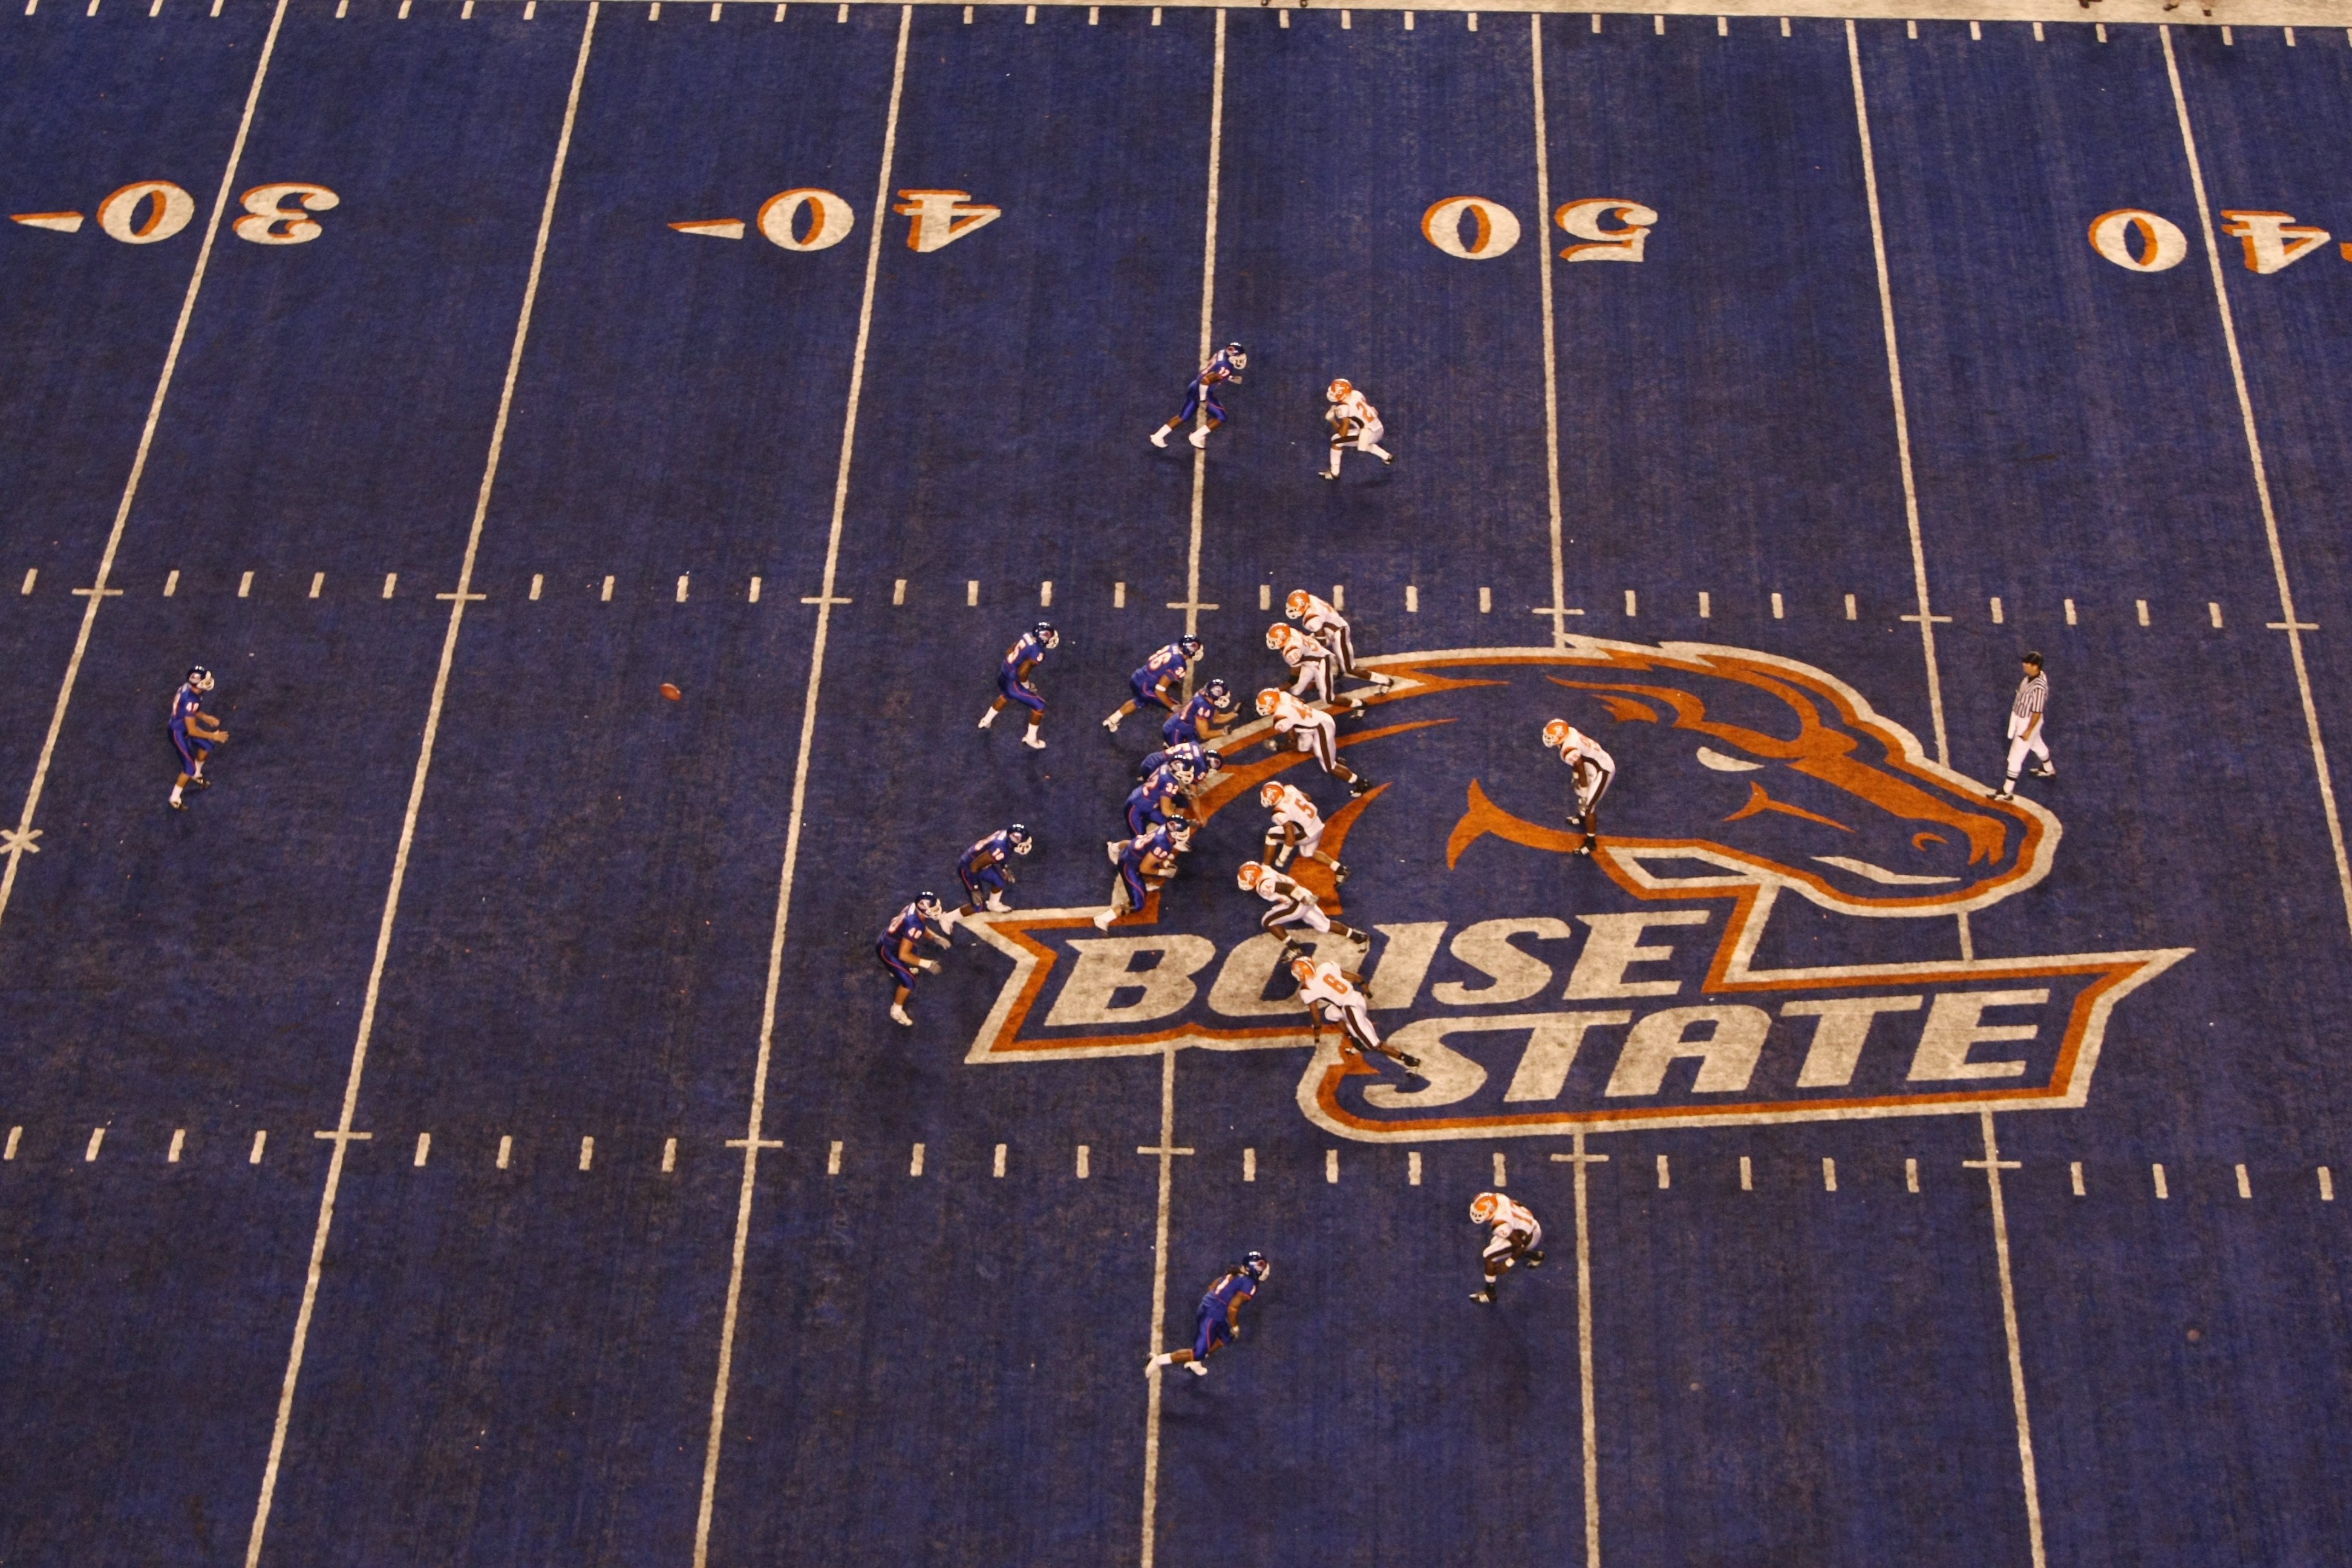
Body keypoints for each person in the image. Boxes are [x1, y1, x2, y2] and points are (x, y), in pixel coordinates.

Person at [1147, 1252, 1270, 1377]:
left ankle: (1196, 1363)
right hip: (1214, 1314)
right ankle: (1159, 1360)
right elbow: (1233, 1308)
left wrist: (1217, 1301)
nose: (1264, 1268)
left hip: (1211, 1307)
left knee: (1227, 1336)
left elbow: (1213, 1286)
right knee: (1198, 1353)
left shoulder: (1235, 1272)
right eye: (1261, 1266)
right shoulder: (1249, 1284)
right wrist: (1235, 1326)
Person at [1291, 955, 1419, 1071]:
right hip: (1357, 998)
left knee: (1374, 1045)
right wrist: (1367, 991)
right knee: (1330, 1014)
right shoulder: (1326, 966)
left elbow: (1316, 1016)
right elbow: (1357, 978)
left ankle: (1409, 1061)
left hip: (1351, 1010)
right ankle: (1356, 1041)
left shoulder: (1307, 989)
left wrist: (1317, 1033)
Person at [1238, 861, 1366, 961]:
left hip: (1297, 902)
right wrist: (1304, 897)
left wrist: (1302, 899)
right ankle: (1359, 937)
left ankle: (1294, 948)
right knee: (1324, 925)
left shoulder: (1263, 886)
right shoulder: (1265, 869)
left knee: (1268, 921)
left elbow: (1286, 888)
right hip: (1304, 894)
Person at [1257, 688, 1371, 797]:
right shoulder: (1283, 695)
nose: (1261, 708)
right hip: (1318, 720)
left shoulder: (1281, 718)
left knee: (1329, 767)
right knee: (1303, 747)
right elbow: (1302, 701)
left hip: (1321, 729)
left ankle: (1361, 783)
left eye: (1263, 706)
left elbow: (1292, 743)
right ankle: (1331, 756)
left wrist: (1278, 748)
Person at [1285, 589, 1391, 691]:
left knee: (1350, 669)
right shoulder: (1310, 599)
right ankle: (1336, 664)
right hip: (1331, 627)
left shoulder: (1311, 619)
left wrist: (1311, 651)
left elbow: (1321, 640)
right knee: (1308, 646)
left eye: (1295, 608)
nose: (1292, 609)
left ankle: (1385, 681)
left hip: (1338, 633)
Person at [1149, 342, 1247, 451]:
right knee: (1221, 417)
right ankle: (1195, 437)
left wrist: (1229, 377)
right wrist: (1203, 399)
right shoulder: (1225, 367)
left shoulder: (1223, 353)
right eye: (1238, 357)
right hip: (1203, 391)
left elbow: (1213, 371)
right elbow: (1206, 381)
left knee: (1183, 417)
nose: (1241, 359)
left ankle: (1157, 436)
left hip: (1194, 386)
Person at [1095, 819, 1192, 929]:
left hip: (1134, 850)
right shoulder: (1164, 845)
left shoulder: (1164, 828)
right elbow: (1144, 868)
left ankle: (1114, 848)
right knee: (1138, 905)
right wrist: (1164, 872)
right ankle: (1102, 919)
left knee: (1156, 861)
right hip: (1130, 866)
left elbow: (1147, 848)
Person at [978, 622, 1057, 751]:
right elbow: (1023, 672)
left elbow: (1010, 650)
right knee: (1040, 706)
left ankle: (986, 721)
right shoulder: (1037, 652)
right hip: (1013, 680)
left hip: (1004, 671)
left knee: (1006, 695)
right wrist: (1026, 685)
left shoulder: (1026, 636)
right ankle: (1031, 738)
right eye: (1048, 636)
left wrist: (1012, 666)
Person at [1541, 718, 1615, 856]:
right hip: (1594, 764)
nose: (1548, 738)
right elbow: (1579, 760)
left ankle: (1591, 842)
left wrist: (1584, 789)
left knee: (1588, 806)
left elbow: (1580, 767)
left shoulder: (1568, 749)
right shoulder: (1571, 733)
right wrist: (1576, 777)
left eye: (1552, 736)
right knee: (1581, 794)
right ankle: (1581, 817)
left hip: (1602, 770)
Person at [877, 893, 952, 1026]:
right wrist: (927, 964)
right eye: (933, 909)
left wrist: (935, 938)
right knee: (909, 982)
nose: (936, 911)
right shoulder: (915, 924)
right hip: (888, 950)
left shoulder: (914, 908)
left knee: (913, 950)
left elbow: (921, 927)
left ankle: (895, 970)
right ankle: (896, 1010)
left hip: (891, 940)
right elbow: (904, 955)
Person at [1103, 636, 1204, 733]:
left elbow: (1165, 665)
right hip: (1147, 687)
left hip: (1139, 676)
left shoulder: (1174, 646)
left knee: (1139, 700)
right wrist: (1172, 706)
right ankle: (1170, 739)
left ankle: (1112, 720)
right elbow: (1159, 691)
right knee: (1175, 709)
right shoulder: (1180, 664)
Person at [1992, 652, 2053, 803]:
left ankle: (2007, 791)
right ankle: (2048, 769)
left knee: (2015, 757)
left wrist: (2028, 731)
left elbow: (2037, 712)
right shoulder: (2034, 677)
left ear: (2036, 666)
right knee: (2037, 744)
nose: (2024, 665)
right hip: (2023, 719)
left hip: (2027, 722)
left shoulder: (2039, 688)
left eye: (2028, 663)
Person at [945, 825, 1033, 929]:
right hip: (968, 867)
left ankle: (993, 904)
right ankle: (947, 918)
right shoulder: (1001, 848)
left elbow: (1001, 853)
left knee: (999, 882)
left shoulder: (1006, 836)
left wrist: (1004, 867)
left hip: (980, 862)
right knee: (978, 906)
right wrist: (975, 888)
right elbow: (975, 866)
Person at [168, 666, 228, 811]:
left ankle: (197, 774)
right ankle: (174, 798)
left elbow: (188, 709)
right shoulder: (192, 698)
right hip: (178, 732)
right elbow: (193, 731)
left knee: (207, 746)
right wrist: (214, 735)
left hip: (183, 726)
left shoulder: (189, 689)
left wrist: (205, 717)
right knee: (188, 768)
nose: (208, 683)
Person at [1259, 780, 1346, 880]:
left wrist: (1282, 858)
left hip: (1307, 835)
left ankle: (1266, 867)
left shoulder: (1279, 812)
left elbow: (1290, 838)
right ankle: (1339, 868)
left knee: (1271, 835)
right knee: (1308, 853)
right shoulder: (1289, 789)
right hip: (1318, 825)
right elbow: (1308, 798)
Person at [1468, 1192, 1544, 1305]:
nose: (1478, 1214)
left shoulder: (1500, 1225)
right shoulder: (1499, 1198)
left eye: (1481, 1213)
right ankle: (1536, 1256)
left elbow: (1520, 1245)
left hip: (1528, 1238)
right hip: (1533, 1226)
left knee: (1489, 1256)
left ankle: (1490, 1294)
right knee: (1497, 1243)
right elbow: (1518, 1203)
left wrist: (1508, 1263)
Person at [1268, 622, 1362, 713]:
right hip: (1312, 656)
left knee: (1328, 698)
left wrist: (1277, 690)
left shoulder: (1291, 652)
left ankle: (1359, 704)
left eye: (1274, 640)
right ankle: (1320, 680)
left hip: (1321, 662)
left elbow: (1294, 679)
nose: (1272, 642)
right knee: (1295, 691)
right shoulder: (1291, 632)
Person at [1321, 377, 1393, 480]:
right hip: (1378, 427)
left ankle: (1334, 473)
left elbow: (1342, 433)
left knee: (1336, 441)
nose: (1331, 393)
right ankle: (1387, 457)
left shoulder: (1344, 408)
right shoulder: (1356, 394)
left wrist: (1332, 420)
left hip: (1368, 433)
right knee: (1362, 443)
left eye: (1334, 392)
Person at [1161, 678, 1237, 750]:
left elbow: (1216, 719)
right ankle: (1169, 749)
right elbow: (1204, 734)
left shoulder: (1207, 698)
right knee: (1186, 758)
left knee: (1194, 746)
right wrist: (1223, 732)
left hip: (1184, 727)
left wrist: (1235, 713)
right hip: (1176, 732)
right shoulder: (1203, 707)